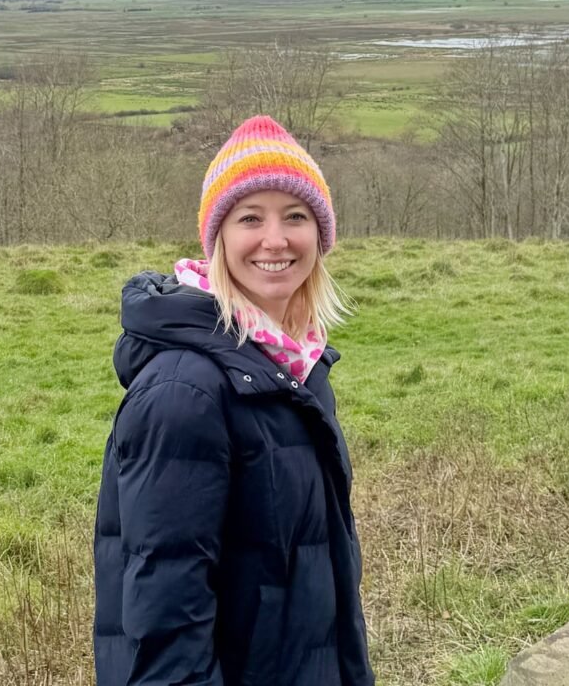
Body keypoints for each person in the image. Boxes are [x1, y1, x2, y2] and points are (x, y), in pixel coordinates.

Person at [93, 115, 374, 686]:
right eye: (250, 218)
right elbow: (166, 625)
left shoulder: (297, 366)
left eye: (295, 216)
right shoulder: (184, 392)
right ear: (218, 237)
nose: (276, 240)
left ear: (320, 234)